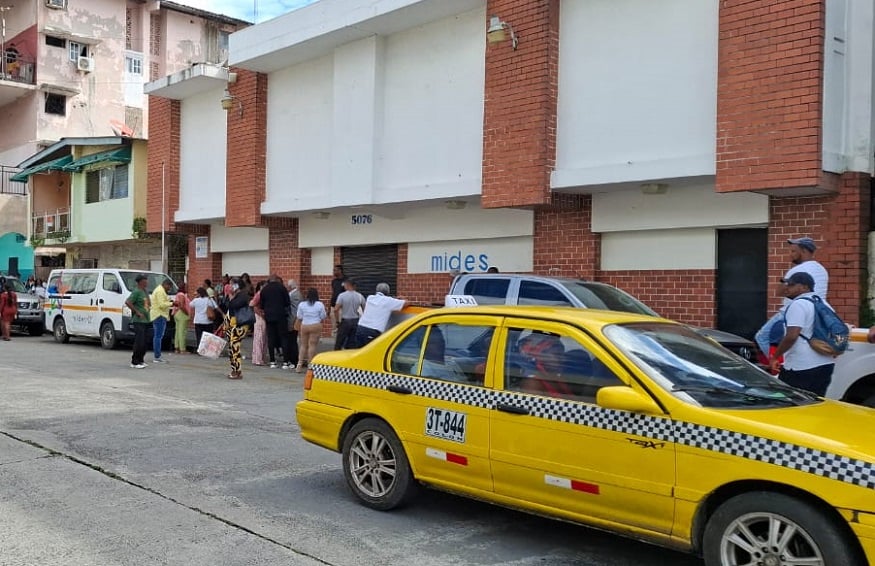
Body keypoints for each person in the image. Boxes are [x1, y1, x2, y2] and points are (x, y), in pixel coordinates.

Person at [755, 237, 829, 357]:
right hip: (817, 312)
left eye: (794, 251)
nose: (790, 255)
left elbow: (780, 292)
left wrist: (782, 281)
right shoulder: (822, 270)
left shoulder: (798, 270)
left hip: (791, 311)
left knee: (762, 337)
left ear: (804, 251)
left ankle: (777, 363)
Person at [768, 272, 835, 396]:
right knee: (815, 404)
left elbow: (792, 335)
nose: (787, 288)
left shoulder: (798, 305)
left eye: (792, 285)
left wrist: (775, 356)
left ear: (804, 287)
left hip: (801, 366)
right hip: (826, 364)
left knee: (790, 404)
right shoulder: (825, 305)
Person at [355, 283, 409, 347]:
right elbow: (406, 303)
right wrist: (403, 298)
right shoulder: (389, 301)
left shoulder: (370, 298)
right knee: (373, 353)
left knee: (359, 352)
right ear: (388, 292)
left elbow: (380, 302)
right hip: (372, 331)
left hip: (360, 328)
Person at [259, 274, 291, 368]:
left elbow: (261, 305)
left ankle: (272, 361)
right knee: (284, 338)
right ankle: (285, 362)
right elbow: (287, 302)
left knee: (271, 338)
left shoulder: (264, 289)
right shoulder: (282, 288)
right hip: (281, 316)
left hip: (269, 317)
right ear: (277, 279)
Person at [224, 277, 251, 379]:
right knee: (232, 347)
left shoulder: (243, 295)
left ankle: (237, 370)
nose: (229, 286)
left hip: (239, 324)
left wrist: (231, 295)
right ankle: (234, 369)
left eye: (231, 284)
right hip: (233, 324)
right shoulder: (238, 295)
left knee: (234, 347)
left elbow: (233, 305)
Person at [295, 287, 327, 373]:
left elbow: (299, 316)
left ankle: (299, 365)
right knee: (312, 345)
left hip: (305, 325)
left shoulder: (302, 304)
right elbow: (323, 316)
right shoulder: (320, 304)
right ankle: (310, 365)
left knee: (303, 345)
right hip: (316, 325)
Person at [125, 275, 151, 368]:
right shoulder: (136, 292)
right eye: (145, 280)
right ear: (140, 282)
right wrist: (137, 312)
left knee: (145, 341)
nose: (147, 282)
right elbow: (128, 302)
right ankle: (135, 361)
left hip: (146, 320)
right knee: (139, 341)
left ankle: (141, 360)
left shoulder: (144, 291)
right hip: (139, 320)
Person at [333, 278, 365, 350]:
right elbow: (365, 310)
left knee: (339, 342)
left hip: (345, 321)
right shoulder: (360, 296)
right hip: (355, 321)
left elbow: (335, 309)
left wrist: (337, 321)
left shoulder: (342, 296)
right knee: (352, 344)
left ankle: (336, 358)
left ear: (347, 285)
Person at [149, 279, 173, 363]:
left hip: (159, 315)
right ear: (166, 284)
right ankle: (157, 356)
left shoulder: (160, 290)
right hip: (159, 315)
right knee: (158, 336)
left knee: (158, 336)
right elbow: (161, 305)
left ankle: (157, 355)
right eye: (169, 287)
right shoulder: (160, 291)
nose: (169, 289)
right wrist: (171, 304)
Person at [285, 279, 302, 370]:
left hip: (292, 321)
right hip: (292, 320)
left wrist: (292, 322)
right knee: (290, 340)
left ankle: (293, 360)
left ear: (291, 286)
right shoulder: (293, 294)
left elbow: (295, 311)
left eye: (288, 285)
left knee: (292, 341)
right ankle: (291, 358)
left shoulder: (296, 295)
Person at [250, 281, 268, 366]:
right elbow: (252, 304)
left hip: (260, 317)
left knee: (262, 338)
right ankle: (258, 358)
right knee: (259, 338)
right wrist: (260, 313)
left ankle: (260, 358)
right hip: (259, 317)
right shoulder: (259, 294)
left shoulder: (261, 294)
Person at [172, 283, 191, 354]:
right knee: (182, 332)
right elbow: (182, 305)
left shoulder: (178, 294)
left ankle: (177, 348)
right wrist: (187, 313)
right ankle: (182, 349)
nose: (187, 288)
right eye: (186, 287)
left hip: (177, 313)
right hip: (182, 314)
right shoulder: (182, 295)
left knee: (177, 331)